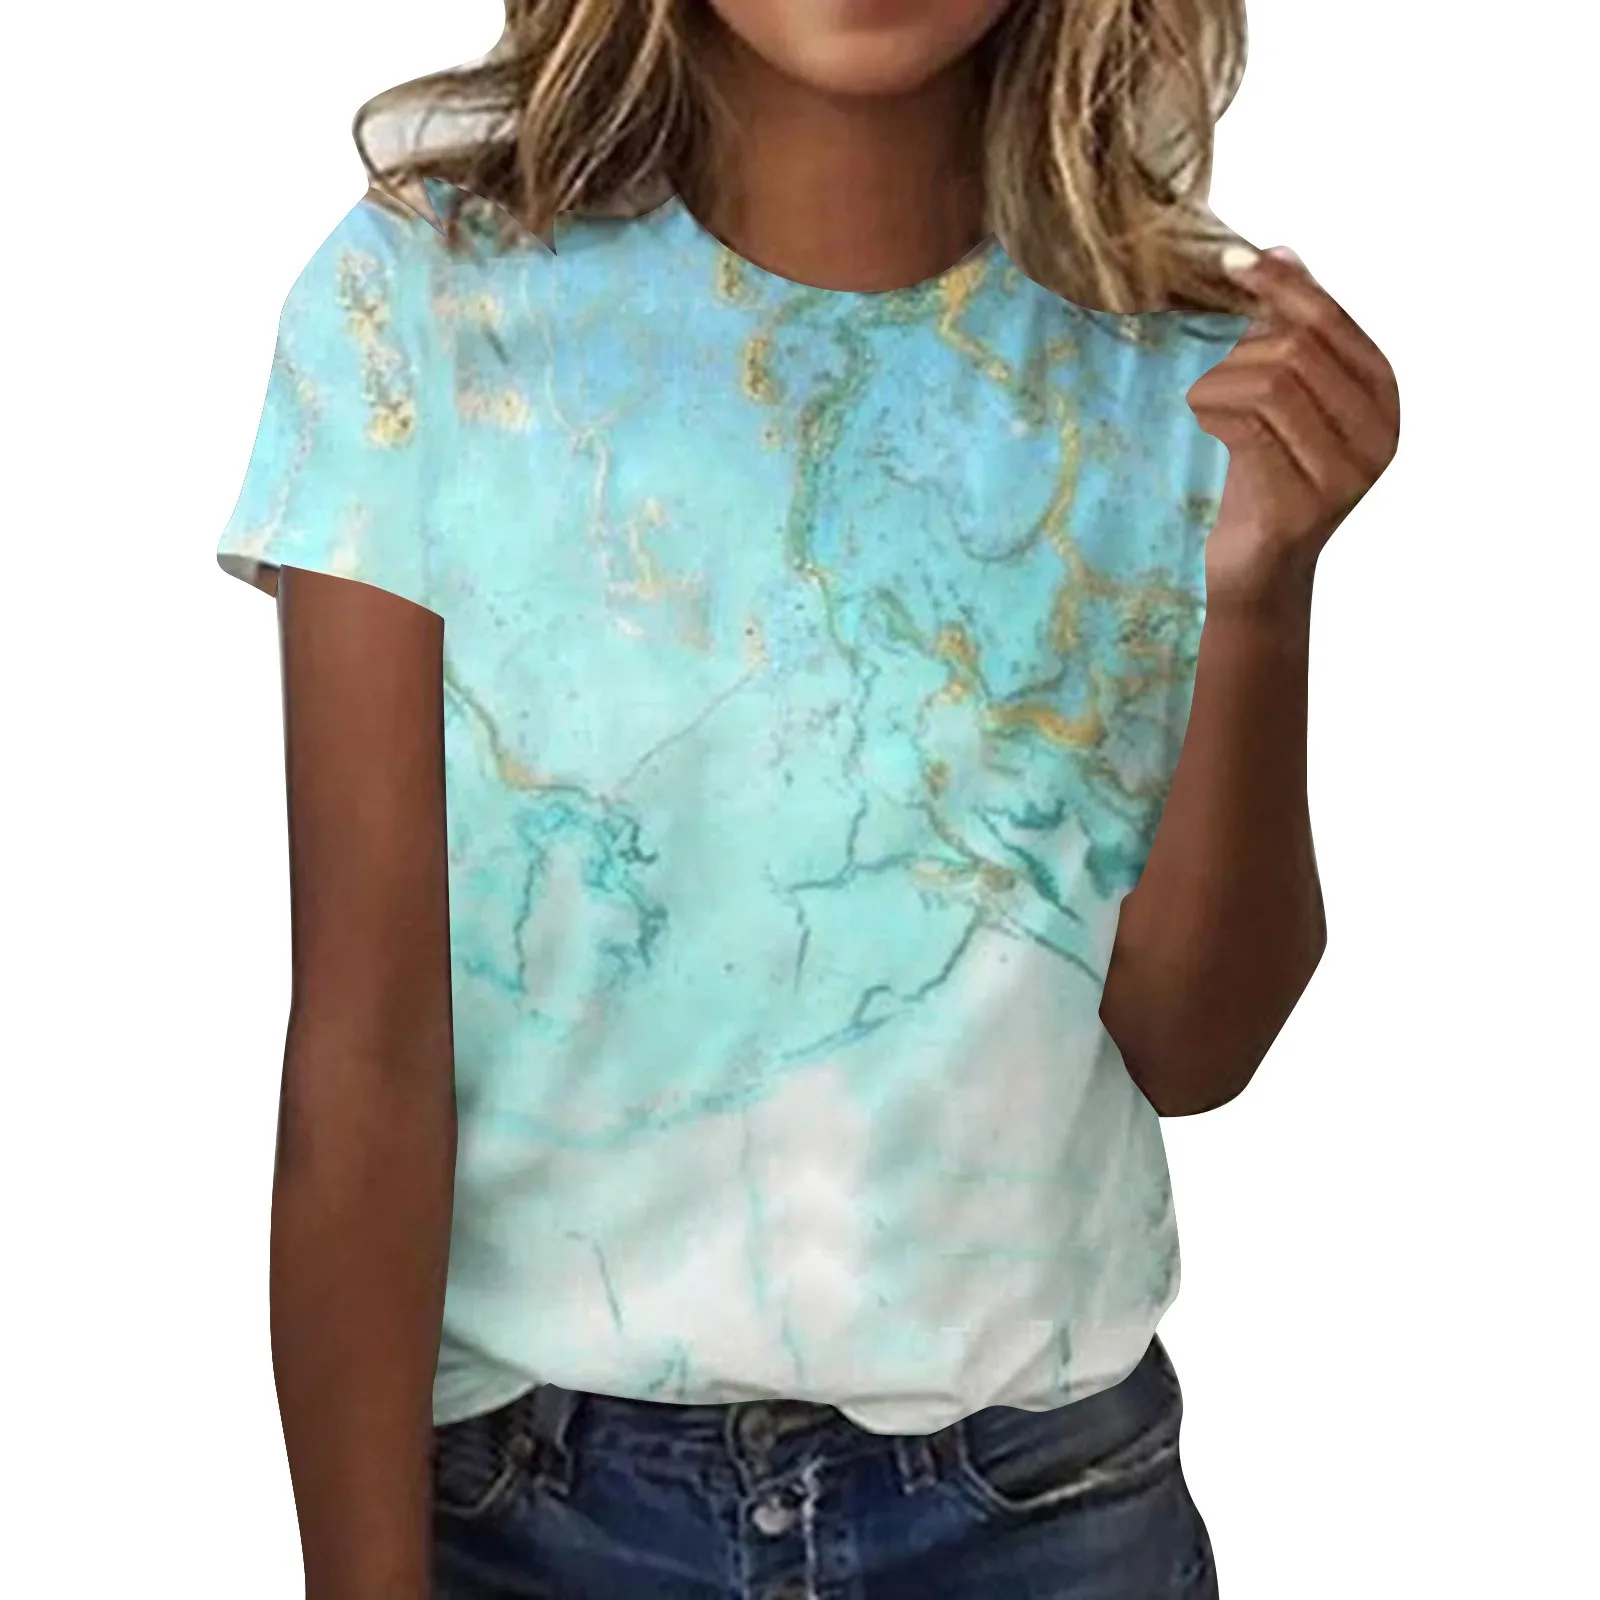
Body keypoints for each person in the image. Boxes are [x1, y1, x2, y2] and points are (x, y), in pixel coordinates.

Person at [216, 2, 1398, 1595]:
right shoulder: (422, 308)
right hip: (531, 1516)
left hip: (1040, 1513)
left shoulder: (1185, 372)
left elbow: (1195, 1045)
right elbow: (366, 1059)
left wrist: (1261, 596)